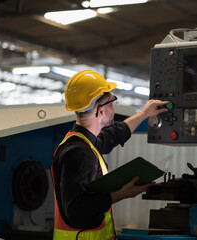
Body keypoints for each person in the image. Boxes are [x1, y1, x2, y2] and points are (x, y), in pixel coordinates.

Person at [50, 69, 168, 240]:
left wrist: (144, 114)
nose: (114, 106)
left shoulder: (81, 142)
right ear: (101, 110)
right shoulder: (80, 152)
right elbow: (76, 210)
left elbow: (112, 136)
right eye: (112, 102)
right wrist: (122, 193)